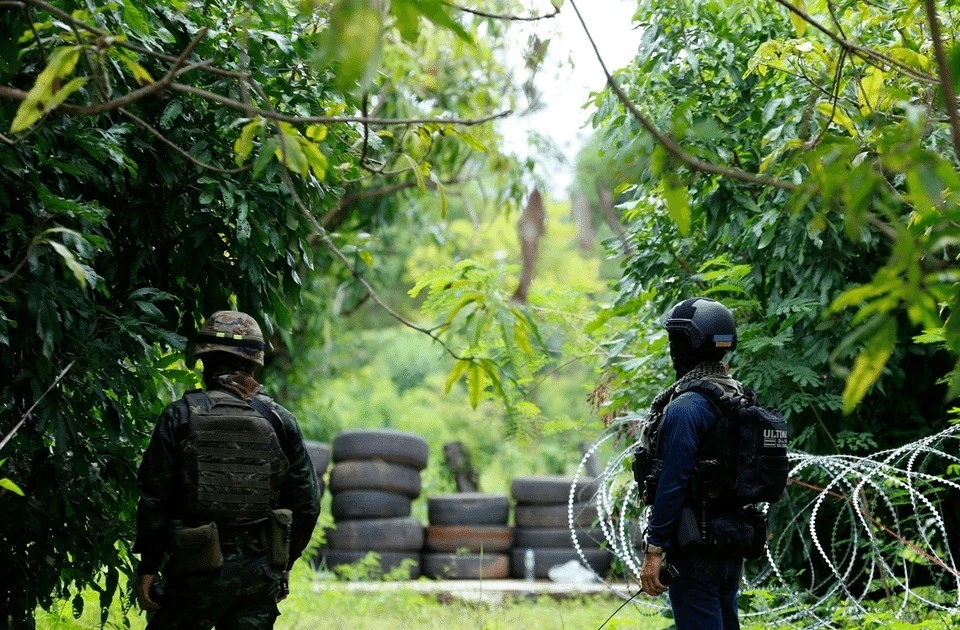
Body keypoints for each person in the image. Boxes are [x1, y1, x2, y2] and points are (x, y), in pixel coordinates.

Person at [134, 310, 321, 629]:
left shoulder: (179, 417)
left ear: (204, 360)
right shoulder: (279, 420)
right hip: (258, 572)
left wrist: (149, 567)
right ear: (255, 361)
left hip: (194, 572)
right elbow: (307, 503)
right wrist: (283, 563)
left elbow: (155, 499)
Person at [633, 297, 786, 630]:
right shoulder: (739, 396)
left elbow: (673, 482)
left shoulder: (686, 407)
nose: (672, 349)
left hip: (695, 545)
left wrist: (654, 549)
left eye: (676, 340)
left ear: (689, 344)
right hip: (731, 541)